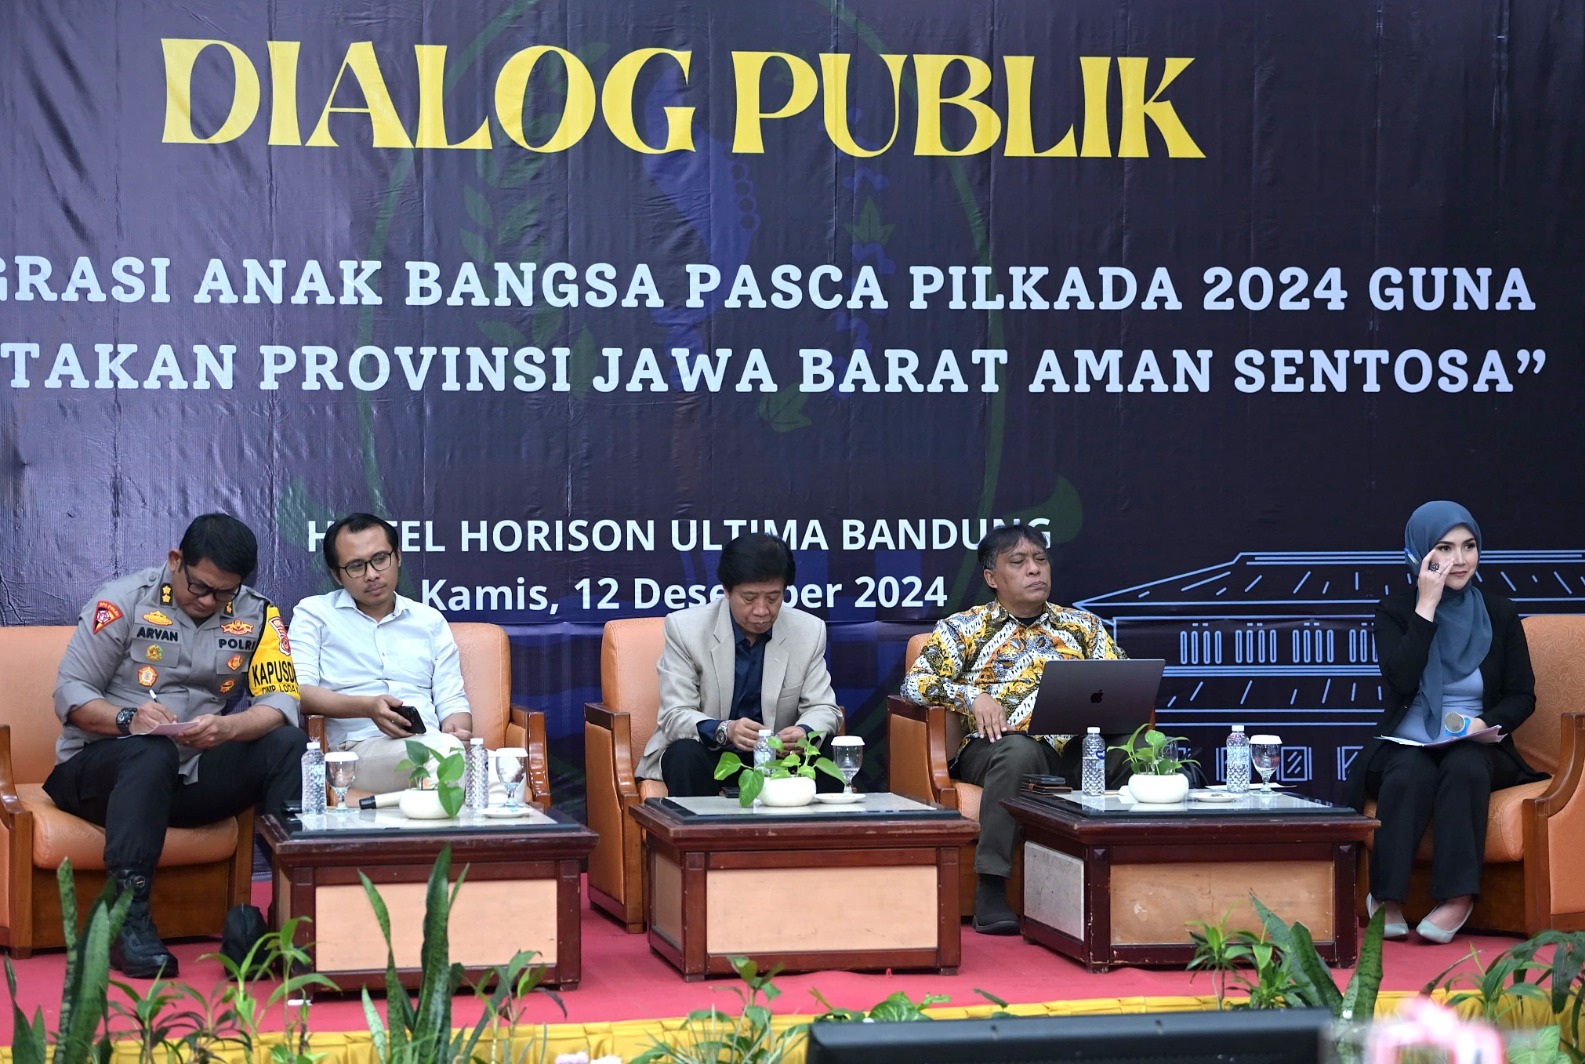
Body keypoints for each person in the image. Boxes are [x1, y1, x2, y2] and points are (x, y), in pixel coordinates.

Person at [47, 513, 304, 978]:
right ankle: (126, 921)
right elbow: (72, 694)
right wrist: (128, 718)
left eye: (224, 593)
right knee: (151, 749)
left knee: (287, 743)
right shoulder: (122, 602)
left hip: (189, 776)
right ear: (175, 560)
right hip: (100, 776)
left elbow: (281, 701)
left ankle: (288, 923)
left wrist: (229, 728)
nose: (208, 601)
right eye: (199, 586)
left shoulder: (260, 615)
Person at [902, 524, 1128, 934]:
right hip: (995, 749)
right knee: (1019, 750)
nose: (1034, 569)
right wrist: (970, 696)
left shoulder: (1083, 627)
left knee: (1136, 747)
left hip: (1075, 747)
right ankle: (991, 887)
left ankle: (1134, 876)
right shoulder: (963, 628)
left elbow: (1122, 680)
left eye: (1040, 560)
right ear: (992, 577)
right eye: (1019, 562)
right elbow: (915, 685)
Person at [1344, 501, 1546, 943]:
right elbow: (1400, 681)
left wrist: (1484, 723)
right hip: (1407, 740)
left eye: (1469, 546)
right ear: (1420, 554)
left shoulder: (1500, 612)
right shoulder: (1395, 611)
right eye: (1445, 548)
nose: (1460, 559)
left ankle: (1458, 897)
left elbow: (1522, 695)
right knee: (1410, 773)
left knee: (1465, 766)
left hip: (1476, 741)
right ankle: (1386, 897)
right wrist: (1427, 606)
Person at [636, 533, 844, 796]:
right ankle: (701, 826)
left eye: (773, 598)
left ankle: (816, 826)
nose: (761, 610)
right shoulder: (685, 629)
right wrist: (726, 730)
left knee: (827, 749)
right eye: (749, 598)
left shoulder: (808, 631)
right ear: (727, 590)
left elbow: (825, 708)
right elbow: (675, 714)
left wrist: (803, 731)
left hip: (779, 758)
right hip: (712, 753)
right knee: (684, 755)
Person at [289, 514, 473, 795]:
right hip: (356, 752)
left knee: (501, 779)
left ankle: (417, 811)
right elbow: (299, 693)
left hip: (431, 741)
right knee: (446, 757)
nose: (372, 574)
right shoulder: (315, 614)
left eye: (380, 559)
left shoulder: (429, 620)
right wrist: (367, 707)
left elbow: (451, 700)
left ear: (397, 556)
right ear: (336, 575)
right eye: (356, 566)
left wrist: (456, 732)